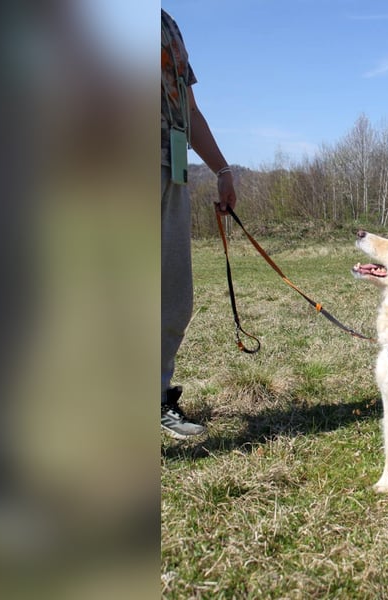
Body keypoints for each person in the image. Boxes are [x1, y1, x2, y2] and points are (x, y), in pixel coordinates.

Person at [161, 9, 237, 438]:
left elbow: (189, 110)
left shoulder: (167, 24)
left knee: (173, 294)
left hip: (169, 168)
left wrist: (223, 170)